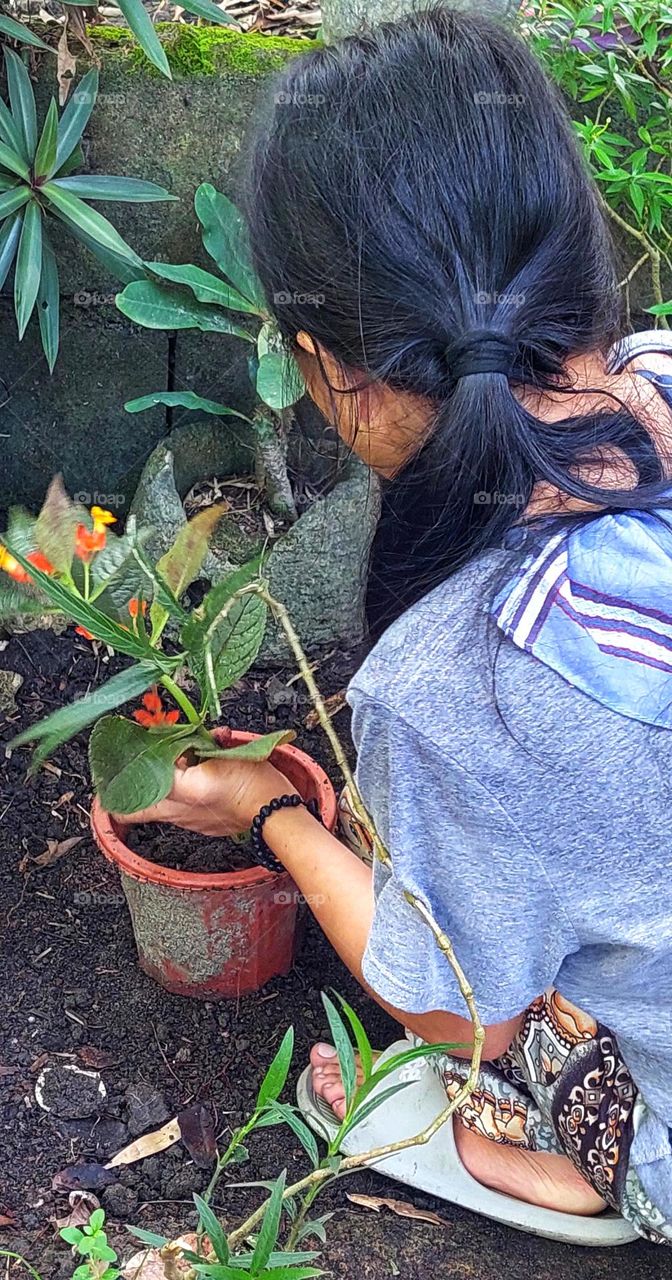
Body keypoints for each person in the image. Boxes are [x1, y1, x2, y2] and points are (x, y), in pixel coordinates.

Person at [116, 8, 672, 1244]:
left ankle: (621, 1166)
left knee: (501, 1022)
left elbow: (461, 1010)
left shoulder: (461, 686)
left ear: (327, 371)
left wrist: (272, 811)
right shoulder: (660, 373)